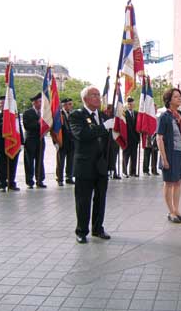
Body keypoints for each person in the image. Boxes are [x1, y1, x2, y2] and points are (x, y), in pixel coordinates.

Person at [69, 86, 114, 244]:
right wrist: (104, 127)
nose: (98, 98)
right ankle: (81, 231)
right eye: (94, 95)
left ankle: (97, 228)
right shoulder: (76, 115)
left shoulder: (102, 116)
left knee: (100, 199)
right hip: (84, 165)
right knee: (83, 200)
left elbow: (108, 141)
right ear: (85, 99)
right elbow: (82, 135)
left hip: (101, 164)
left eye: (98, 95)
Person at [156, 88, 181, 223]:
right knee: (169, 183)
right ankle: (170, 212)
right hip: (170, 153)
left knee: (178, 182)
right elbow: (159, 138)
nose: (179, 98)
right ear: (169, 100)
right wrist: (164, 158)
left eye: (180, 96)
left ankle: (176, 210)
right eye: (176, 97)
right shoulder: (165, 117)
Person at [0, 96, 20, 192]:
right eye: (1, 103)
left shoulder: (13, 114)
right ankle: (2, 183)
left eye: (4, 103)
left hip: (12, 142)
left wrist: (21, 142)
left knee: (12, 164)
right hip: (0, 144)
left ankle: (11, 183)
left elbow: (18, 128)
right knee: (1, 165)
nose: (2, 105)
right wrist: (5, 122)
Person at [23, 92, 46, 189]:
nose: (41, 104)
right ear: (34, 103)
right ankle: (29, 181)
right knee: (29, 161)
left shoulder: (44, 113)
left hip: (40, 139)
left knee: (40, 160)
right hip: (30, 140)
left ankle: (40, 180)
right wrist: (39, 123)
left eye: (42, 101)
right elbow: (27, 126)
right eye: (39, 102)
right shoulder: (27, 113)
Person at [55, 98, 75, 186]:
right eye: (69, 104)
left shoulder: (73, 114)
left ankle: (69, 177)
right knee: (61, 161)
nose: (71, 106)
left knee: (71, 160)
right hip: (62, 141)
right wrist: (55, 142)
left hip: (71, 142)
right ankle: (60, 179)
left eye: (71, 104)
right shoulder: (59, 114)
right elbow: (55, 129)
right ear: (64, 105)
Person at [122, 97, 140, 177]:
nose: (130, 105)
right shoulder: (124, 113)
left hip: (135, 139)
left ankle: (133, 171)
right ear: (127, 105)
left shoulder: (136, 113)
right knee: (126, 155)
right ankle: (124, 172)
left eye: (131, 104)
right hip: (127, 138)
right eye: (129, 104)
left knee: (134, 156)